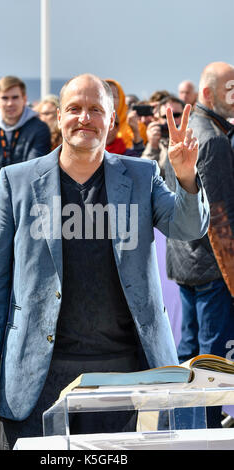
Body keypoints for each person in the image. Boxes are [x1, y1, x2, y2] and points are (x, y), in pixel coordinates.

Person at [0, 73, 209, 449]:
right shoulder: (17, 181)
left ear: (111, 120)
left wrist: (186, 176)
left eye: (96, 110)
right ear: (58, 117)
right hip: (35, 372)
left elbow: (188, 227)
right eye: (74, 109)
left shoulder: (142, 175)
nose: (84, 118)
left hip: (117, 374)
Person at [164, 61, 234, 428]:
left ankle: (179, 428)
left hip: (184, 264)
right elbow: (220, 220)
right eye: (230, 89)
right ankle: (203, 431)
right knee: (212, 361)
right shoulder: (215, 140)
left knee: (188, 356)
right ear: (208, 94)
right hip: (211, 269)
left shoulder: (187, 130)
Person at [0, 76, 51, 191]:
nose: (10, 103)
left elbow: (35, 172)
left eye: (15, 97)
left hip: (26, 198)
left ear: (24, 99)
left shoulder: (39, 128)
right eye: (5, 98)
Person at [142, 95, 184, 177]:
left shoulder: (194, 138)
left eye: (176, 115)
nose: (171, 120)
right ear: (159, 119)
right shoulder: (157, 141)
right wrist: (152, 146)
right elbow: (144, 173)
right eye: (166, 116)